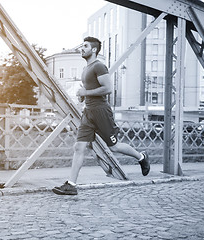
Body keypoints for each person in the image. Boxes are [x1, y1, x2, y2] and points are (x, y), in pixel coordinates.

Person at [52, 36, 150, 195]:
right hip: (88, 112)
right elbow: (92, 90)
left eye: (85, 46)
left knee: (114, 146)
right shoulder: (85, 69)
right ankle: (71, 185)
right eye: (82, 46)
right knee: (78, 147)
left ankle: (141, 157)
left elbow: (108, 88)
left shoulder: (99, 67)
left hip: (101, 112)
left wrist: (86, 92)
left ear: (94, 49)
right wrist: (83, 96)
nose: (81, 49)